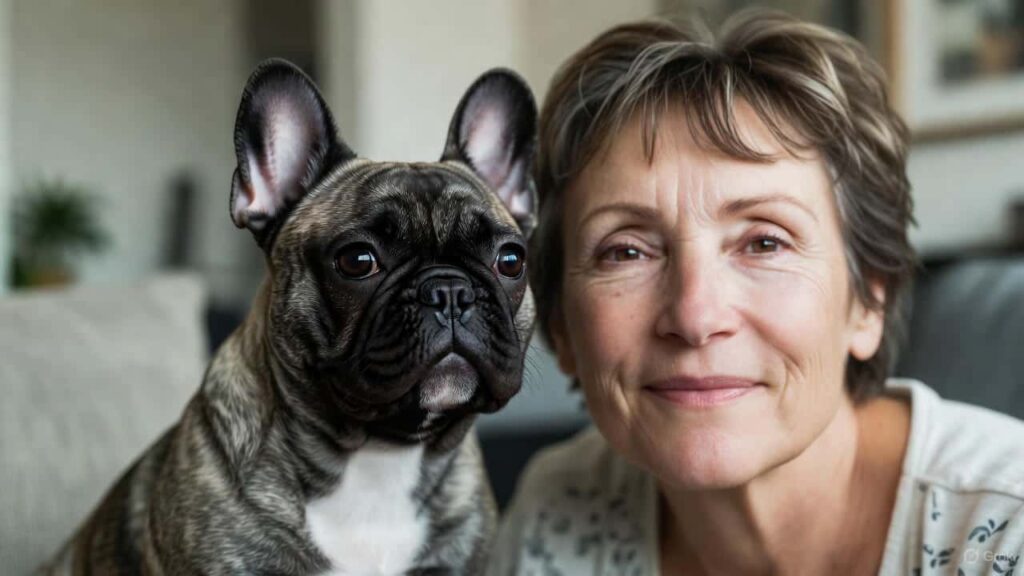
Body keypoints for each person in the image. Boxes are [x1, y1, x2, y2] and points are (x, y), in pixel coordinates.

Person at [489, 9, 1024, 576]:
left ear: (869, 300)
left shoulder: (1005, 534)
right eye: (626, 251)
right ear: (561, 327)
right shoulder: (559, 514)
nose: (695, 316)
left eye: (765, 243)